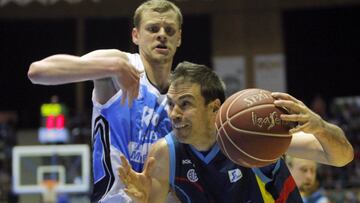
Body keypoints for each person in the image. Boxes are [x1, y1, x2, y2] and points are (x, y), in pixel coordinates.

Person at [118, 61, 354, 203]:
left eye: (186, 104)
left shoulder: (254, 134)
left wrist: (320, 127)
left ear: (214, 108)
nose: (174, 113)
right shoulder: (165, 154)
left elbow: (342, 157)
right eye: (170, 104)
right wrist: (142, 200)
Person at [27, 0, 182, 202]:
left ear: (179, 38)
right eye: (153, 28)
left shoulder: (183, 91)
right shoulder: (120, 65)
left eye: (170, 30)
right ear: (136, 35)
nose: (162, 34)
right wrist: (112, 67)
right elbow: (37, 72)